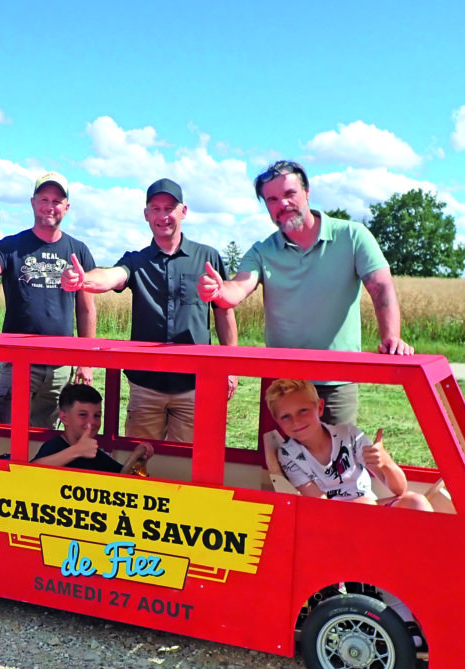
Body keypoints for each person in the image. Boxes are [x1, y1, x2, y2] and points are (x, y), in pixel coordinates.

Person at [197, 160, 412, 425]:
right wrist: (218, 291)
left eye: (290, 194)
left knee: (337, 461)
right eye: (272, 199)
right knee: (280, 462)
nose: (282, 204)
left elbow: (380, 288)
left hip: (336, 381)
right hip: (281, 383)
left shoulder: (352, 236)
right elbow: (239, 287)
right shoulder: (263, 251)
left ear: (307, 192)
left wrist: (392, 338)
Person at [60, 178, 237, 441]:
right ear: (146, 215)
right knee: (140, 460)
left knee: (187, 462)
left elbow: (224, 311)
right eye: (155, 209)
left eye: (169, 208)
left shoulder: (207, 258)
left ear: (184, 212)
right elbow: (111, 277)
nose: (163, 216)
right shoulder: (136, 260)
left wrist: (230, 367)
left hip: (194, 384)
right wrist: (83, 279)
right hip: (146, 386)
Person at [0, 171, 97, 428]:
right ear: (33, 202)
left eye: (56, 201)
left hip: (60, 367)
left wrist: (86, 361)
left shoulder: (77, 250)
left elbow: (86, 309)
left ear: (66, 207)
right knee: (8, 434)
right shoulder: (11, 246)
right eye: (44, 199)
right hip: (18, 364)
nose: (50, 206)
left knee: (47, 437)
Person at [265, 379, 431, 510]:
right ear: (277, 421)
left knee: (417, 501)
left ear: (320, 408)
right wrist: (361, 507)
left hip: (369, 507)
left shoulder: (350, 435)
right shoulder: (288, 455)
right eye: (286, 416)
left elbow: (400, 490)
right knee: (365, 506)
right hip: (335, 522)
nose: (296, 421)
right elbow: (320, 506)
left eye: (303, 410)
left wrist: (384, 462)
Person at [33, 383, 153, 474]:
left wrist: (139, 463)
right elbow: (30, 471)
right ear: (64, 418)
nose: (92, 422)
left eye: (97, 416)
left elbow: (122, 478)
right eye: (83, 415)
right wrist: (77, 450)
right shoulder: (55, 446)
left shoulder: (96, 456)